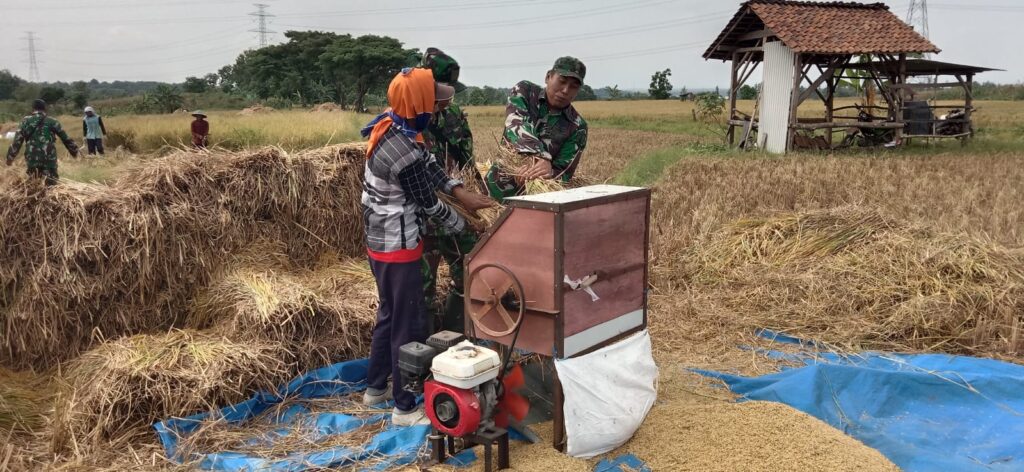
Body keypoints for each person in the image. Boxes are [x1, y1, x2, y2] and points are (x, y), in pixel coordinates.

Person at [358, 67, 493, 426]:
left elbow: (429, 166)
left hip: (381, 242)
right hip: (397, 245)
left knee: (389, 313)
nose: (436, 109)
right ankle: (403, 407)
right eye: (432, 102)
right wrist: (466, 224)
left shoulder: (395, 125)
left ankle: (375, 389)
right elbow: (426, 203)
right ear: (418, 103)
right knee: (406, 322)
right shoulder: (400, 147)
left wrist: (459, 189)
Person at [419, 47, 482, 335]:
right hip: (424, 216)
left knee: (468, 274)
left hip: (451, 210)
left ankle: (458, 335)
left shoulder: (453, 115)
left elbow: (466, 161)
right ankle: (429, 346)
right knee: (424, 286)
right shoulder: (409, 118)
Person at [485, 56, 589, 202]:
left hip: (540, 200)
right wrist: (540, 156)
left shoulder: (578, 126)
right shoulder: (525, 92)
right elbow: (517, 124)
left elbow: (564, 172)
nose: (565, 90)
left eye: (573, 86)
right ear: (548, 77)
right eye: (562, 81)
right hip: (497, 189)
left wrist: (546, 173)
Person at [5, 99, 79, 186]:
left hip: (32, 158)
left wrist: (10, 158)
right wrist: (75, 152)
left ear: (33, 108)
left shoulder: (25, 121)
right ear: (45, 108)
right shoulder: (52, 121)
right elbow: (66, 139)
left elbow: (17, 141)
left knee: (33, 184)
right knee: (51, 185)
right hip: (49, 159)